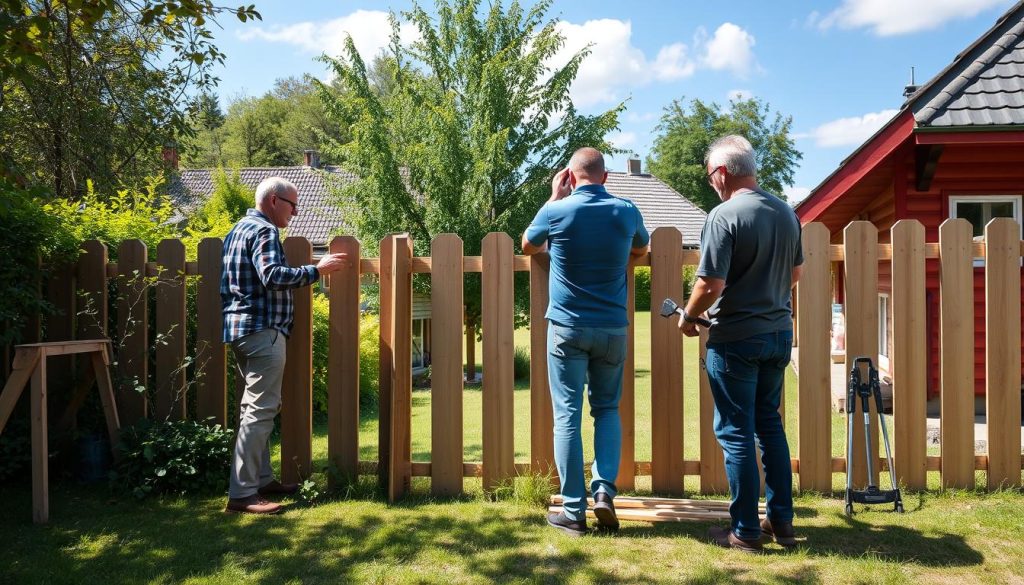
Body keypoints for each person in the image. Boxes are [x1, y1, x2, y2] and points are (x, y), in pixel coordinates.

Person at [677, 135, 803, 551]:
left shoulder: (723, 215)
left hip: (736, 340)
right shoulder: (786, 212)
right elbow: (795, 276)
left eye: (710, 175)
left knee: (735, 432)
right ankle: (781, 523)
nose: (711, 183)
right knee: (770, 426)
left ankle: (746, 531)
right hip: (778, 335)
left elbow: (710, 283)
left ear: (721, 173)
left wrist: (689, 315)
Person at [523, 148, 650, 536]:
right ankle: (604, 493)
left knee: (567, 415)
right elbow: (641, 249)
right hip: (612, 328)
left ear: (570, 176)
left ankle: (574, 511)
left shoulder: (556, 211)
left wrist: (552, 197)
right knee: (607, 409)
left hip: (567, 328)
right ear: (606, 176)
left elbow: (529, 244)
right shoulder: (626, 210)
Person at [222, 176, 349, 515]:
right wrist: (316, 270)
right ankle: (243, 494)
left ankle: (261, 480)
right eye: (293, 205)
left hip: (240, 331)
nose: (295, 212)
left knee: (255, 409)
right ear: (275, 201)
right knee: (259, 410)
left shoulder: (237, 230)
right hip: (263, 331)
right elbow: (272, 276)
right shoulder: (264, 231)